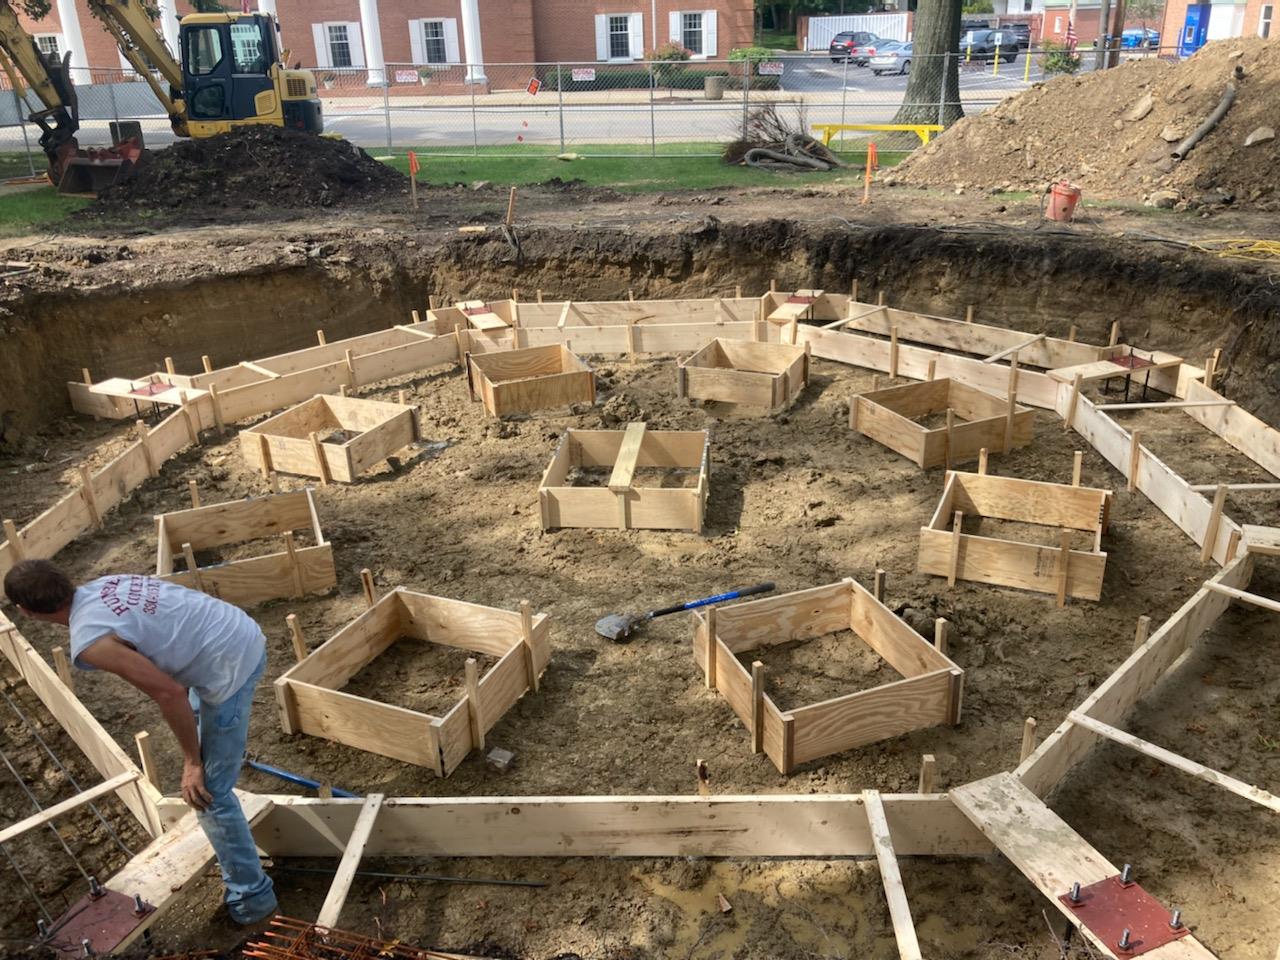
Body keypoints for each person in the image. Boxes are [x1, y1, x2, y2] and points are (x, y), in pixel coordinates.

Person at [3, 560, 277, 925]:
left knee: (208, 794)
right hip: (238, 629)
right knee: (199, 729)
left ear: (25, 612)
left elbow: (169, 692)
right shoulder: (106, 584)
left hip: (231, 666)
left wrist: (193, 763)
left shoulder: (91, 642)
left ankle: (252, 900)